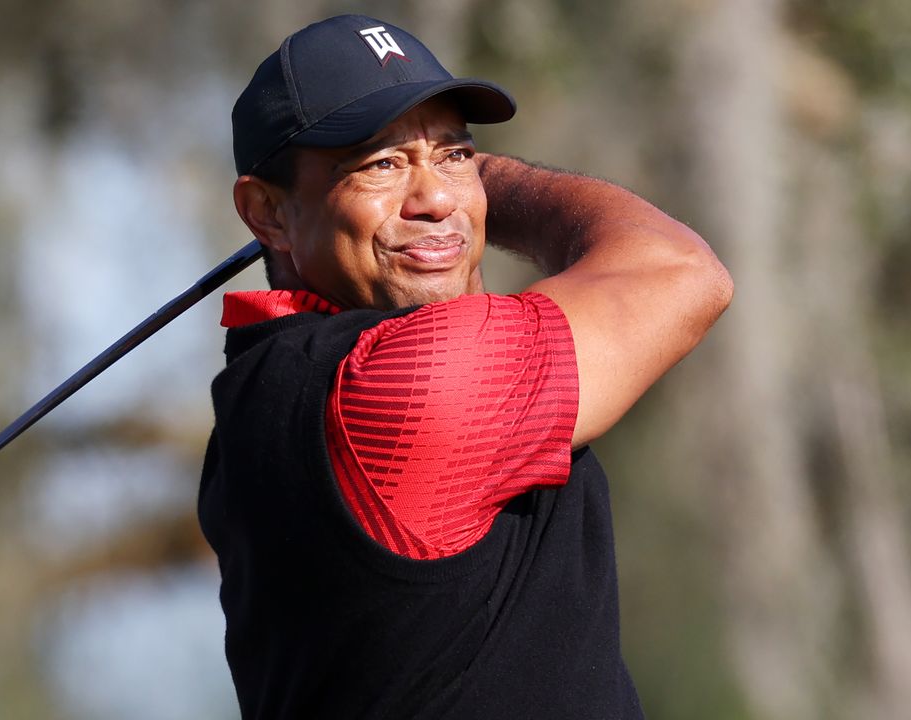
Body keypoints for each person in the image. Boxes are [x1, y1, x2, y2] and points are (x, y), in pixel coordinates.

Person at [198, 14, 732, 720]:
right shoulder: (396, 387)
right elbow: (681, 272)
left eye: (455, 155)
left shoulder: (264, 392)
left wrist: (445, 185)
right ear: (265, 212)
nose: (437, 198)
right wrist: (494, 186)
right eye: (379, 164)